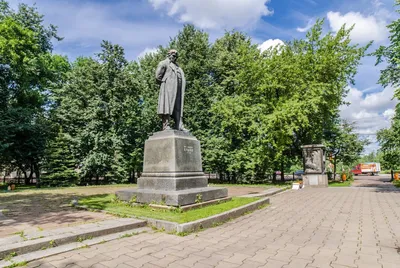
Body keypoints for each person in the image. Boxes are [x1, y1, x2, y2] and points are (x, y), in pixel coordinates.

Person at [155, 49, 187, 131]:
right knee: (167, 106)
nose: (174, 57)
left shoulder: (178, 66)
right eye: (173, 55)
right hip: (168, 88)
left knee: (178, 107)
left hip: (178, 89)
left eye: (176, 56)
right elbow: (158, 76)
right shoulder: (164, 63)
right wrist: (165, 84)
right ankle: (166, 125)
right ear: (168, 55)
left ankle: (179, 125)